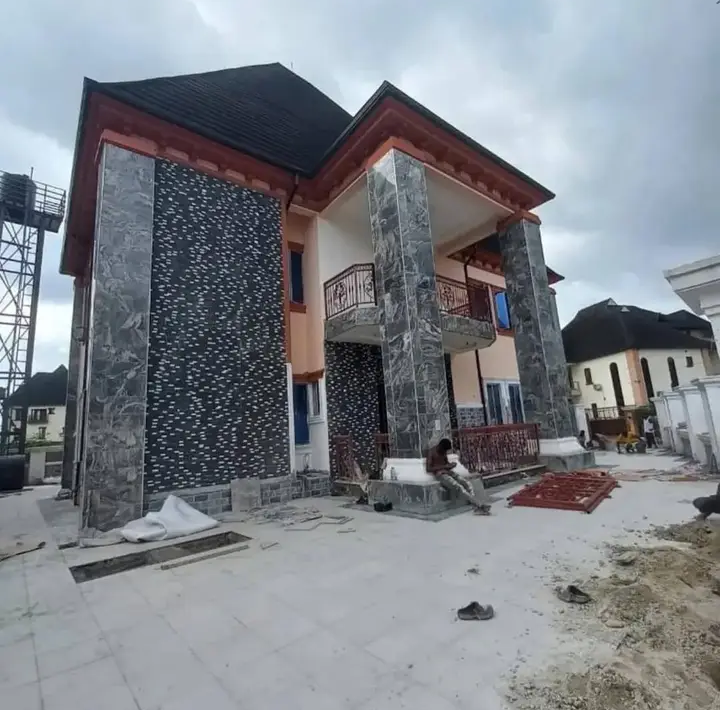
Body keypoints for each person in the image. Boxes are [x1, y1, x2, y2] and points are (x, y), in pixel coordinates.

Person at [426, 438, 491, 515]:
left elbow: (446, 463)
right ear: (440, 446)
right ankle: (479, 505)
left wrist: (451, 465)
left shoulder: (443, 451)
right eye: (444, 450)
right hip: (441, 475)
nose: (445, 452)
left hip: (448, 472)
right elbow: (428, 468)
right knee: (459, 487)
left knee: (468, 484)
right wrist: (444, 467)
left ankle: (475, 505)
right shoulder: (431, 452)